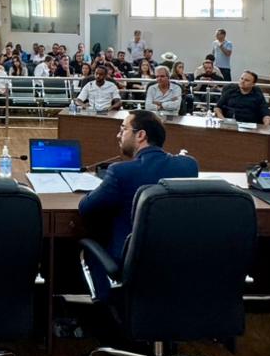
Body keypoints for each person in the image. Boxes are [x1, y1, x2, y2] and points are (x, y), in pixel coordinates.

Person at [77, 111, 199, 261]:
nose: (118, 135)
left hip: (130, 260)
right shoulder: (189, 165)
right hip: (175, 260)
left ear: (140, 135)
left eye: (123, 129)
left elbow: (86, 208)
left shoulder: (120, 171)